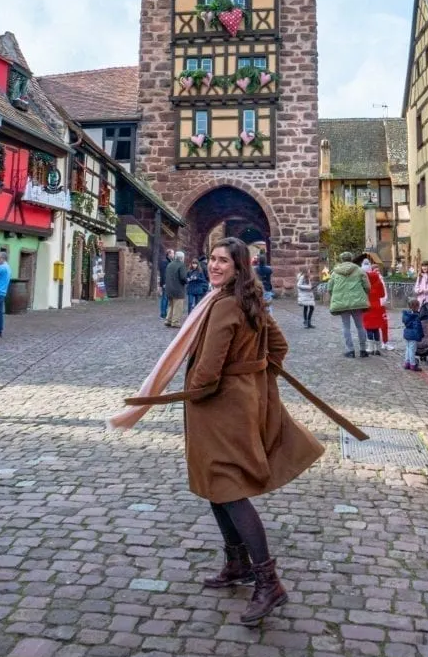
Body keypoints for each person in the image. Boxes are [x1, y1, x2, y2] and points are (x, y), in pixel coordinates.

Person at [112, 237, 325, 626]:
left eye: (223, 260)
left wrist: (217, 386)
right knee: (217, 485)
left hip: (219, 408)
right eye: (211, 258)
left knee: (228, 489)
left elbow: (208, 369)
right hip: (234, 402)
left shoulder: (225, 305)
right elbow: (278, 345)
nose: (214, 266)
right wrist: (255, 378)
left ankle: (268, 581)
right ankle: (237, 563)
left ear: (239, 266)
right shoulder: (246, 300)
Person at [327, 252, 371, 359]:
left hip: (342, 304)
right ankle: (363, 350)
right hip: (357, 303)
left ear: (342, 259)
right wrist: (363, 295)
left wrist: (337, 297)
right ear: (351, 259)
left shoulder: (335, 272)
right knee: (360, 326)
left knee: (346, 327)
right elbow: (367, 287)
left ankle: (350, 350)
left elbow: (329, 289)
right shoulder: (359, 270)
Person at [360, 257, 387, 355]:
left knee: (368, 328)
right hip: (377, 306)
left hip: (367, 306)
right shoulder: (378, 279)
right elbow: (382, 294)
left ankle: (370, 348)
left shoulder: (362, 280)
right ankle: (377, 349)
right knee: (376, 327)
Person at [164, 250, 188, 327]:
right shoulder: (181, 265)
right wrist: (187, 281)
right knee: (178, 306)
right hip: (178, 289)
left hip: (169, 288)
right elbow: (183, 277)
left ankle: (168, 320)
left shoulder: (169, 265)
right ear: (182, 258)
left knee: (171, 305)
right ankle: (175, 322)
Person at [402, 297, 423, 371]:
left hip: (407, 334)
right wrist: (420, 334)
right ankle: (413, 364)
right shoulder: (416, 316)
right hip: (413, 335)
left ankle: (407, 363)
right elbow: (417, 327)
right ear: (416, 307)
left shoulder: (406, 315)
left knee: (407, 349)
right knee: (412, 350)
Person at [159, 249, 174, 321]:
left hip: (169, 283)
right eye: (172, 253)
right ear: (169, 254)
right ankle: (163, 313)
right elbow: (164, 274)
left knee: (167, 298)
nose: (173, 255)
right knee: (164, 298)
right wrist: (164, 283)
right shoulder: (165, 262)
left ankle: (165, 313)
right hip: (166, 283)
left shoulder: (170, 262)